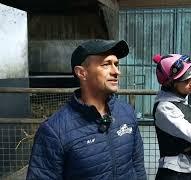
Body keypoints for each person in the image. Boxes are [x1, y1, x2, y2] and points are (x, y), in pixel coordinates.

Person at [27, 39, 147, 180]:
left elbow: (137, 166)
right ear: (82, 73)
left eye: (116, 64)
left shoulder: (127, 113)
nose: (117, 72)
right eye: (106, 64)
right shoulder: (54, 131)